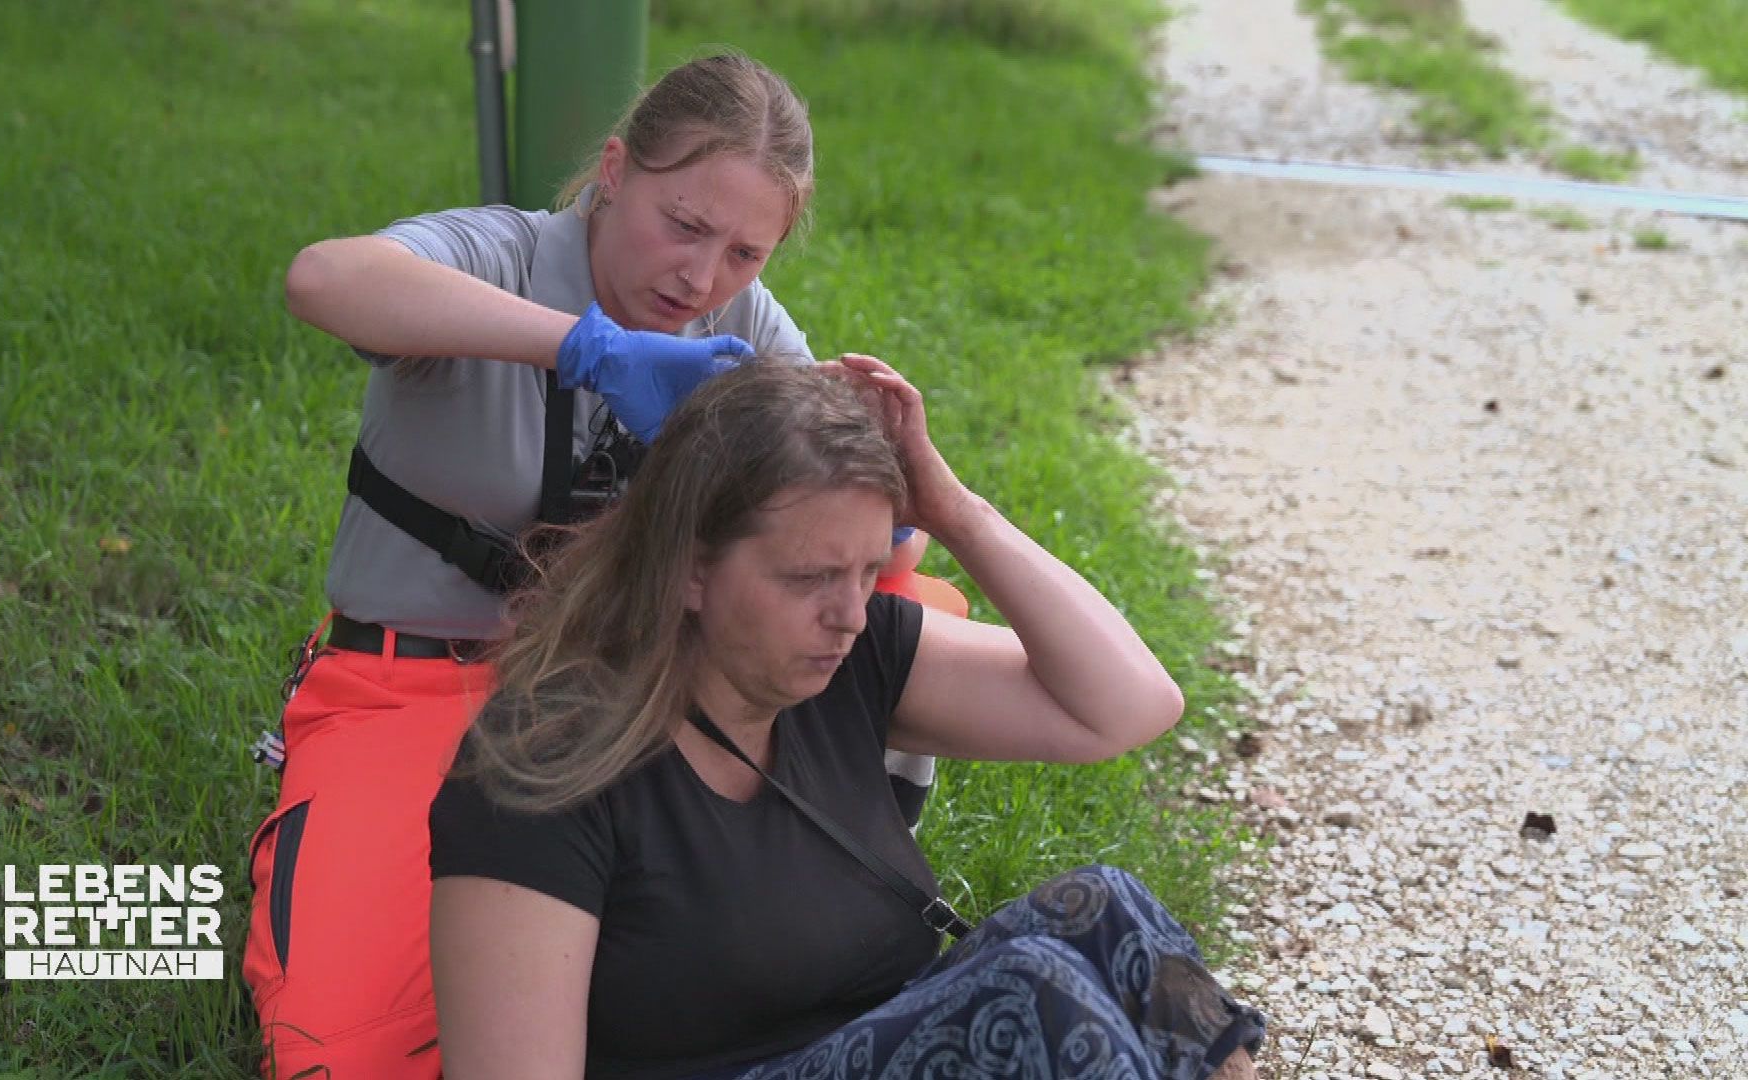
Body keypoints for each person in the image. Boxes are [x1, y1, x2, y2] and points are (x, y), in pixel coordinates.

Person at [243, 53, 947, 1078]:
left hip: (627, 696)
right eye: (684, 225)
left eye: (746, 252)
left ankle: (834, 842)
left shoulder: (742, 328)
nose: (700, 279)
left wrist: (897, 493)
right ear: (615, 170)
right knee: (341, 1052)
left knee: (903, 595)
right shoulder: (501, 253)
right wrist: (589, 348)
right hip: (416, 681)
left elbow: (862, 529)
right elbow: (324, 281)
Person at [428, 358, 1266, 1079]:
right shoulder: (542, 762)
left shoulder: (840, 662)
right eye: (810, 578)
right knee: (1029, 993)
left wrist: (951, 508)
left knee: (1105, 907)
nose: (851, 613)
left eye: (869, 571)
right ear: (687, 570)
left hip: (872, 1040)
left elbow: (1130, 706)